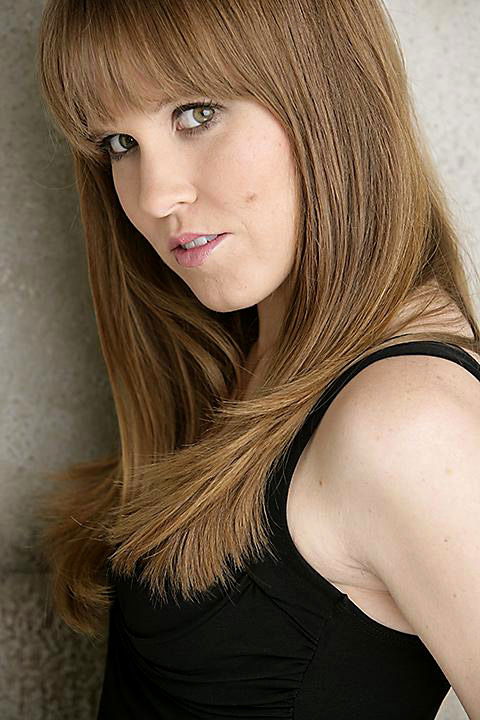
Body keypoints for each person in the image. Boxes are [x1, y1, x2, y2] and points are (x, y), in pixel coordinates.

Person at [36, 0, 480, 717]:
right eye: (120, 143)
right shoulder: (245, 354)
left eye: (197, 114)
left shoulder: (408, 421)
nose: (155, 196)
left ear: (329, 94)